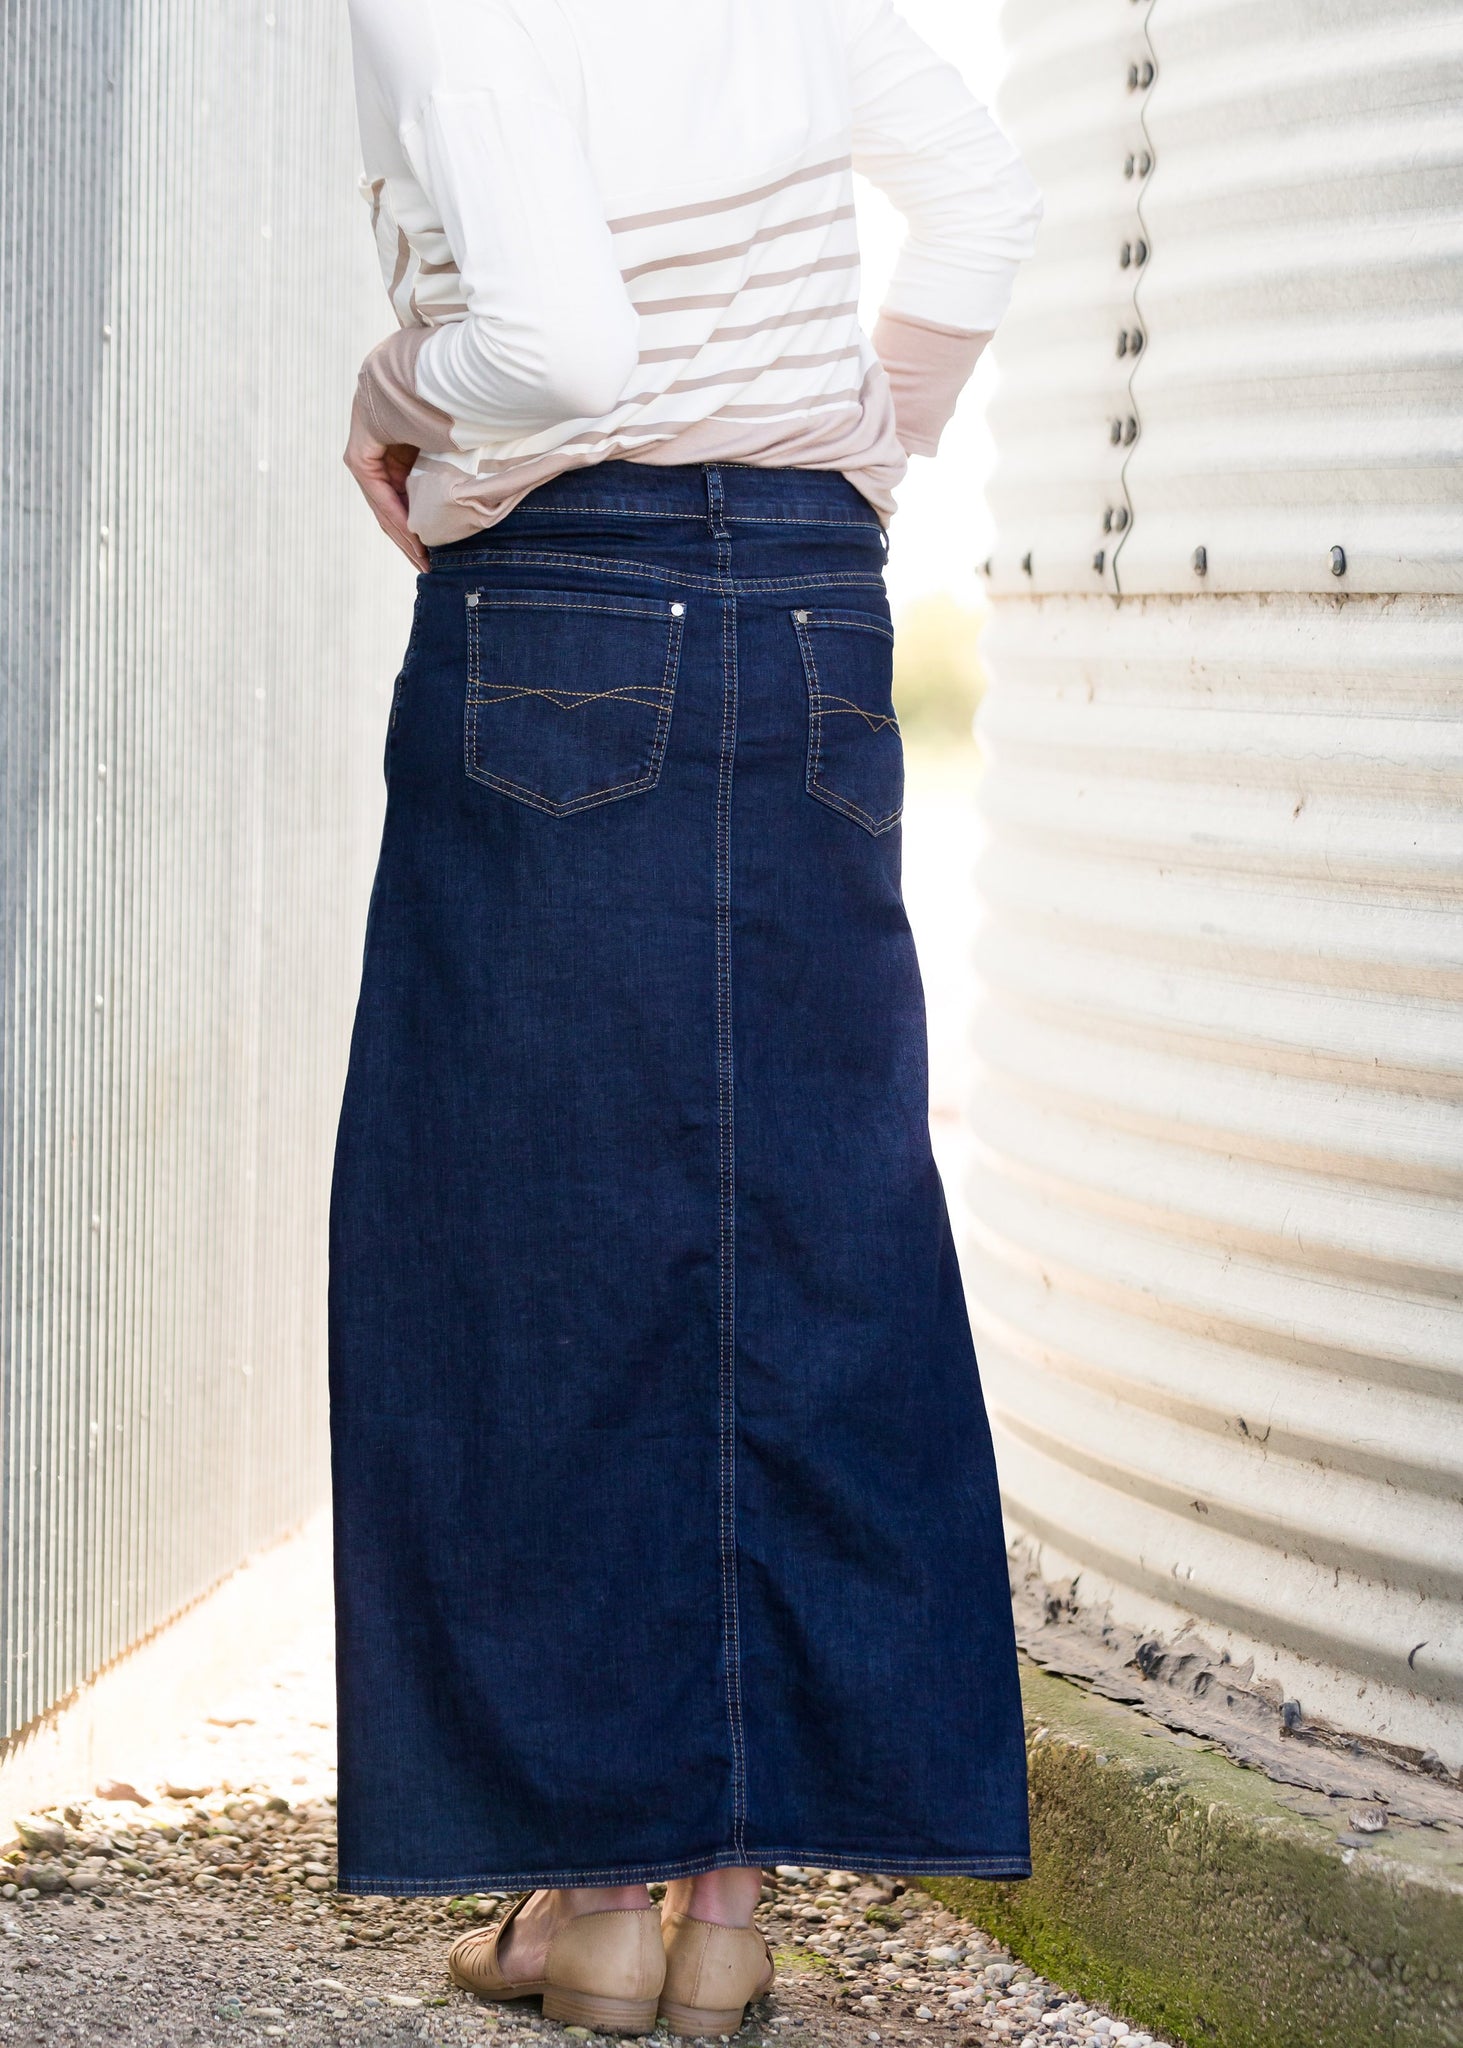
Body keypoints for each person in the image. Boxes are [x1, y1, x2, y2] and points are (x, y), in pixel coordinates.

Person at [331, 0, 1042, 2033]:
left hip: (569, 584)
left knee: (539, 1234)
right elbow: (982, 206)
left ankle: (597, 1894)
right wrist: (868, 450)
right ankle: (725, 1907)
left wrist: (388, 380)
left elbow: (555, 351)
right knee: (805, 1227)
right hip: (815, 603)